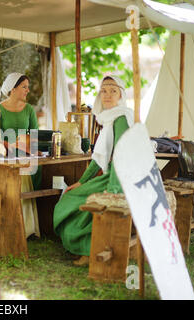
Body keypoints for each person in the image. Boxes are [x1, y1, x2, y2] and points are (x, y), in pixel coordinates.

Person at [52, 75, 134, 266]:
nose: (107, 95)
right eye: (104, 90)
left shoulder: (121, 118)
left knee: (75, 201)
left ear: (121, 94)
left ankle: (88, 251)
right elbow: (98, 159)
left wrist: (112, 191)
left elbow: (122, 158)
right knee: (72, 194)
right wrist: (81, 182)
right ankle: (83, 246)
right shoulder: (110, 118)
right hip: (112, 176)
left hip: (120, 179)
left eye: (113, 90)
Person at [0, 73, 40, 239]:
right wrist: (11, 145)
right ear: (13, 89)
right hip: (4, 157)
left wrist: (30, 147)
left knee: (25, 186)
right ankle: (8, 228)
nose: (27, 90)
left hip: (24, 156)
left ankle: (27, 229)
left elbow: (34, 134)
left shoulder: (29, 109)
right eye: (24, 87)